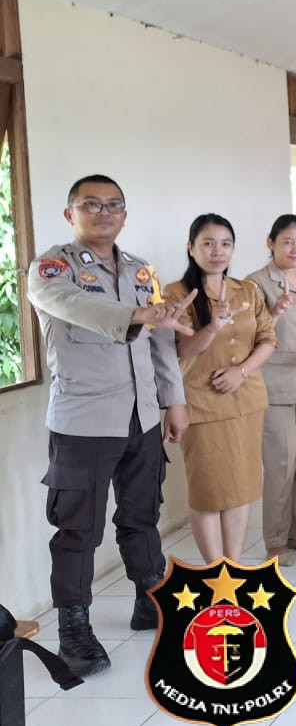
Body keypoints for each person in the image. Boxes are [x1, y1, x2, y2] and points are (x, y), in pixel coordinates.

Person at [29, 174, 193, 677]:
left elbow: (159, 342)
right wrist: (139, 313)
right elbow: (79, 308)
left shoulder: (141, 270)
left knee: (142, 515)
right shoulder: (52, 269)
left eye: (114, 205)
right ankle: (74, 628)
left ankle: (150, 600)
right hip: (84, 422)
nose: (104, 212)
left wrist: (175, 401)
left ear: (125, 213)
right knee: (78, 529)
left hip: (141, 417)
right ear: (70, 214)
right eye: (91, 205)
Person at [164, 215, 276, 564]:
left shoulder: (248, 290)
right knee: (209, 494)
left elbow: (268, 339)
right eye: (208, 243)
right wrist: (212, 326)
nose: (217, 251)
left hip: (247, 402)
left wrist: (242, 371)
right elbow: (182, 351)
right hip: (203, 407)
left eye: (225, 243)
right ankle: (215, 571)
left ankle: (234, 565)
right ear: (191, 247)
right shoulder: (176, 294)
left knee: (240, 491)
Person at [246, 215, 296, 565]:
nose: (295, 249)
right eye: (288, 242)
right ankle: (275, 540)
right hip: (274, 384)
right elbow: (247, 333)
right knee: (281, 464)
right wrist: (275, 311)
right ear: (271, 243)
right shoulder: (254, 284)